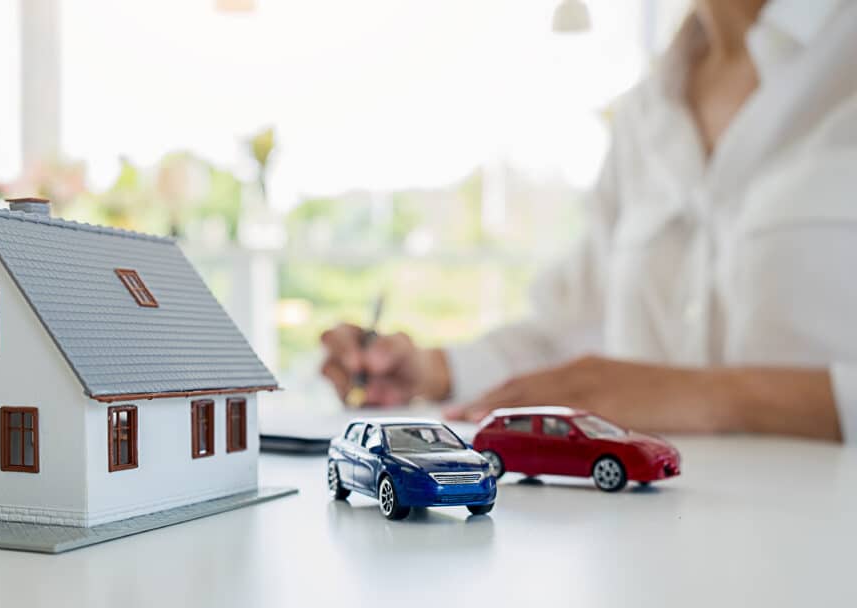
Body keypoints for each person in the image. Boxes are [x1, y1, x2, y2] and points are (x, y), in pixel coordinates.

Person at [321, 0, 857, 442]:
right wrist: (433, 370)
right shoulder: (646, 111)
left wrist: (704, 396)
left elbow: (624, 385)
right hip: (651, 546)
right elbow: (572, 330)